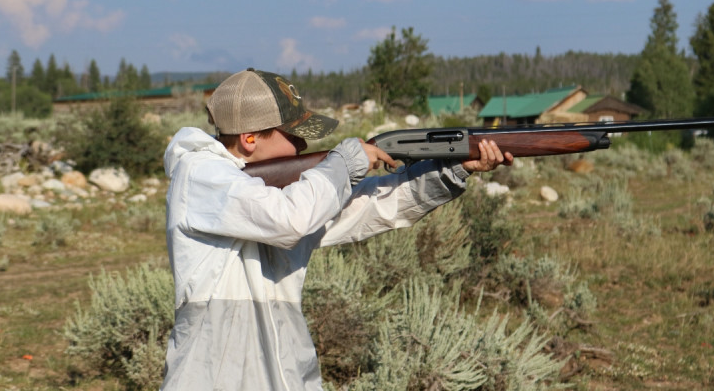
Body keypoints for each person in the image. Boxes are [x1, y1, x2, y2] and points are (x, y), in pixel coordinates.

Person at [160, 68, 513, 391]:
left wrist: (452, 171)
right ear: (250, 138)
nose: (302, 146)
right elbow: (291, 219)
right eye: (294, 136)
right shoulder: (199, 175)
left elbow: (371, 206)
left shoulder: (275, 193)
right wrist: (344, 164)